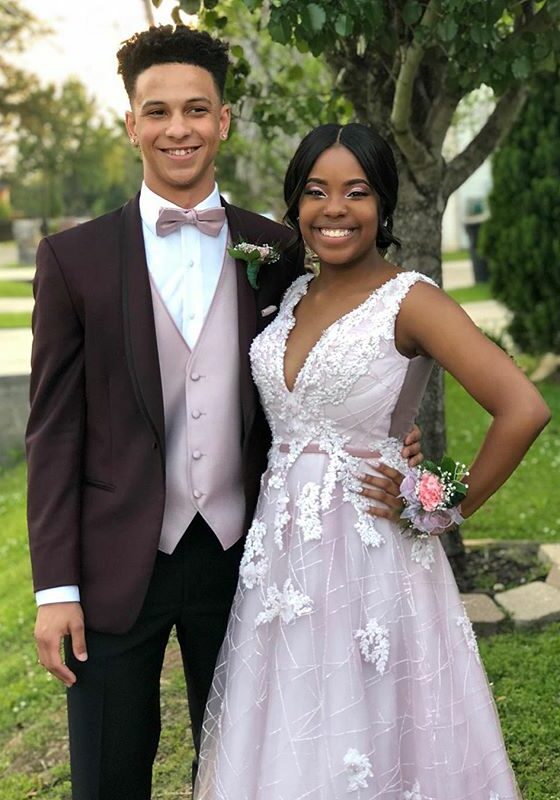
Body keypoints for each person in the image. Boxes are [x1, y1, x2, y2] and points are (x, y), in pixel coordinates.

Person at [26, 28, 422, 800]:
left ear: (225, 120)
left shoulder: (277, 248)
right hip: (112, 566)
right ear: (131, 123)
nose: (180, 128)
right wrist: (54, 589)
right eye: (160, 110)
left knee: (251, 773)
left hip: (248, 561)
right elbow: (53, 432)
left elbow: (328, 357)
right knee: (106, 778)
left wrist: (380, 430)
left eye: (197, 109)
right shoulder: (71, 260)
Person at [194, 123, 551, 800]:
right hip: (284, 566)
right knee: (292, 731)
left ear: (382, 205)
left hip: (370, 558)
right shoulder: (292, 295)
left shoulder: (411, 299)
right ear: (295, 205)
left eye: (356, 192)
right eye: (316, 191)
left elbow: (523, 407)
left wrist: (443, 503)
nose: (335, 209)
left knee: (374, 735)